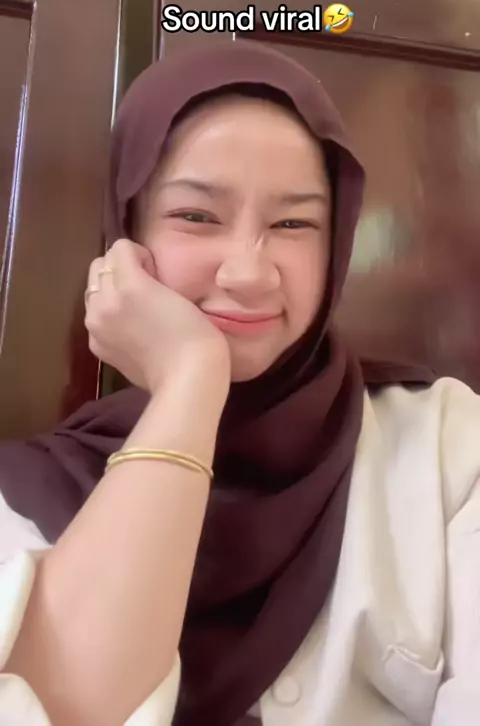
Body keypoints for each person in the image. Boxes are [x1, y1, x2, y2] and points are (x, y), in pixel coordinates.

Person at [0, 39, 478, 726]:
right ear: (126, 233)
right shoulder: (24, 494)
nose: (249, 273)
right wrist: (191, 383)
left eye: (294, 223)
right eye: (196, 217)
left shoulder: (446, 446)